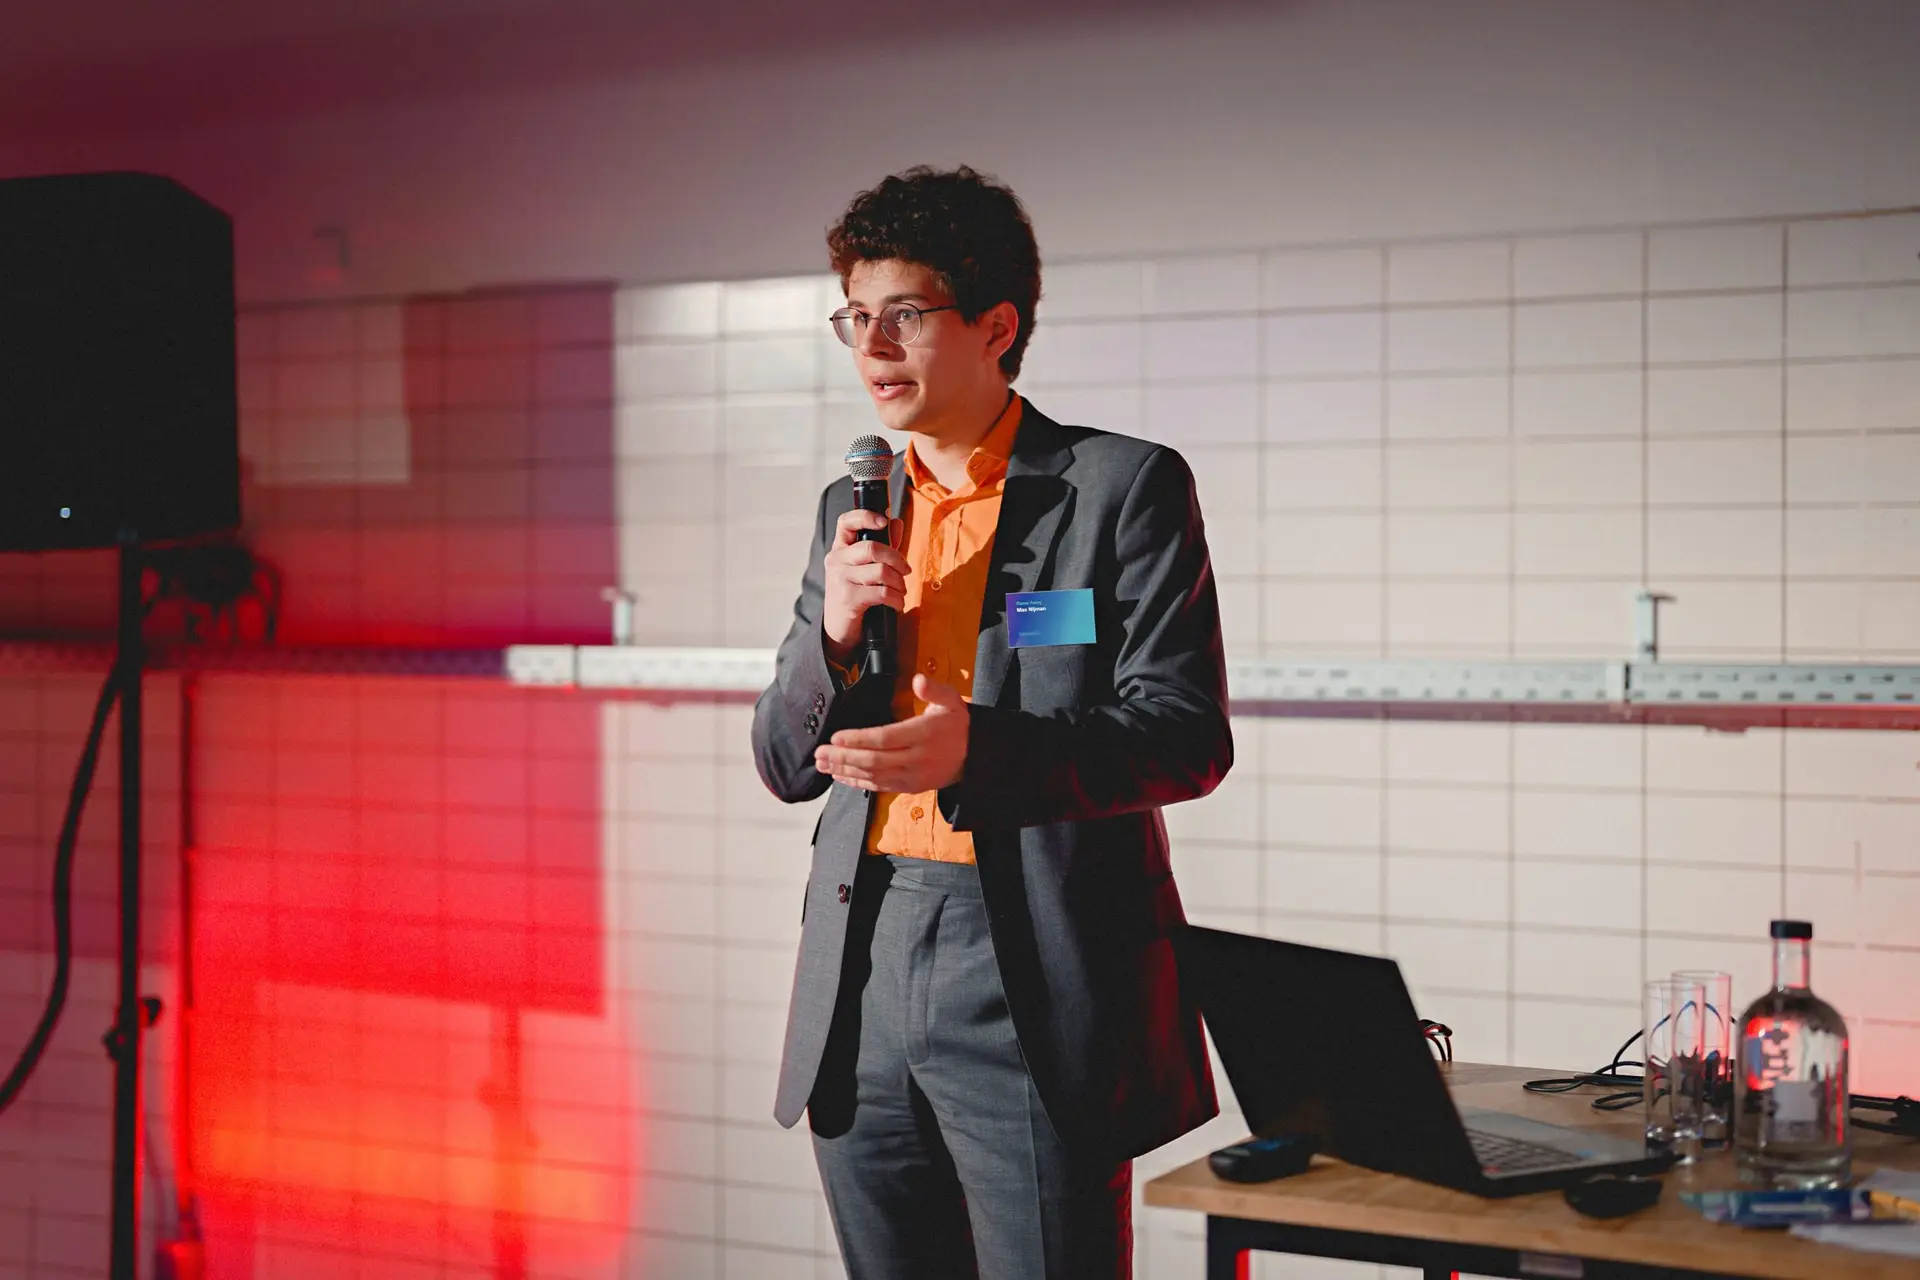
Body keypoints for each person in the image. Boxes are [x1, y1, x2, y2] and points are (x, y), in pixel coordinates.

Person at [750, 164, 1232, 1279]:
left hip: (1032, 964)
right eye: (855, 316)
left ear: (996, 325)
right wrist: (833, 632)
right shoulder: (853, 508)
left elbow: (1184, 734)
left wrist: (981, 748)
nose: (873, 345)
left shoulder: (1120, 488)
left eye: (906, 314)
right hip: (862, 957)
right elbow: (782, 760)